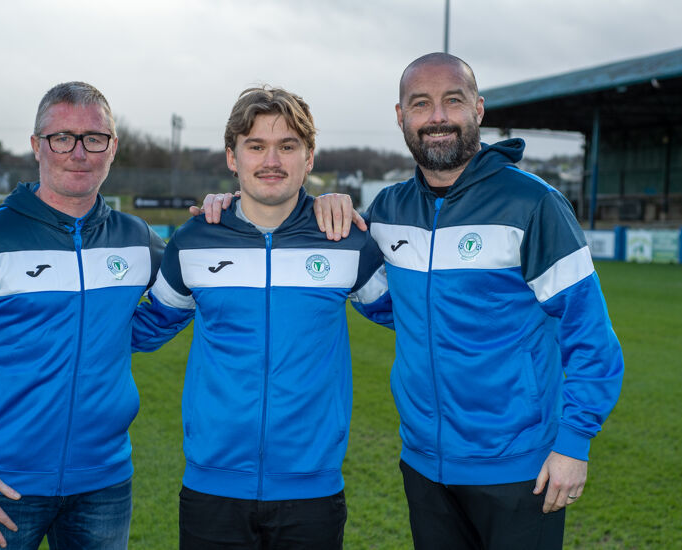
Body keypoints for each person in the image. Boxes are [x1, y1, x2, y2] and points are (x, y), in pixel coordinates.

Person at [200, 54, 625, 549]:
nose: (437, 116)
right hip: (424, 464)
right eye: (420, 104)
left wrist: (574, 443)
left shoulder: (533, 204)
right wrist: (237, 210)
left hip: (520, 465)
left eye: (453, 101)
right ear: (401, 117)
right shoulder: (389, 209)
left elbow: (590, 333)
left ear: (479, 109)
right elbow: (382, 300)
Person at [0, 82, 169, 550]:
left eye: (95, 138)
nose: (78, 152)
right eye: (61, 137)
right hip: (0, 483)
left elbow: (192, 286)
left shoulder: (136, 237)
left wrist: (116, 333)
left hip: (104, 484)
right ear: (36, 146)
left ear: (112, 148)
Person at [130, 86, 388, 549]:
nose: (272, 160)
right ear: (233, 157)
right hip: (213, 488)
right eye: (256, 146)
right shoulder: (196, 239)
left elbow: (415, 315)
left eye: (287, 146)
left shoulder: (345, 239)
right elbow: (149, 325)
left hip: (312, 489)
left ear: (309, 158)